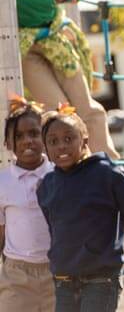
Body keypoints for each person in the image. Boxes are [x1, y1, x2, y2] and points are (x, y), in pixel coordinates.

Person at [36, 104, 124, 312]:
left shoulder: (108, 175)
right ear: (46, 149)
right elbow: (56, 232)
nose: (61, 146)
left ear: (84, 142)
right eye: (53, 141)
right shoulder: (46, 186)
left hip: (101, 281)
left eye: (69, 139)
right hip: (63, 282)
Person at [13, 0, 120, 159]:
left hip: (53, 36)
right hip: (25, 44)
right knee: (57, 111)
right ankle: (72, 171)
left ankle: (108, 168)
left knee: (89, 109)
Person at [0, 97, 55, 312]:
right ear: (8, 143)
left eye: (34, 133)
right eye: (18, 136)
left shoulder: (59, 175)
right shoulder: (3, 182)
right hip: (17, 276)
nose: (27, 141)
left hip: (58, 272)